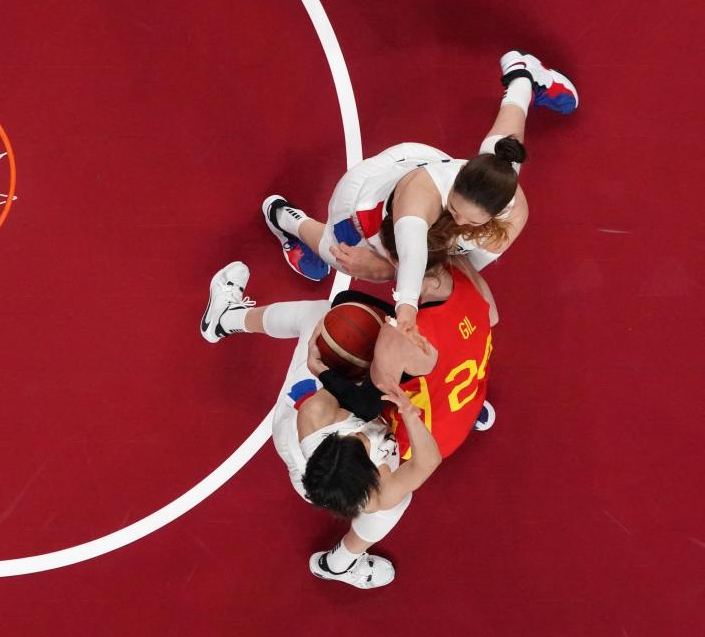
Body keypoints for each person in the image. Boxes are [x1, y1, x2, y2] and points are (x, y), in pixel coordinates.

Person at [198, 254, 495, 587]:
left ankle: (225, 318)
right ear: (371, 468)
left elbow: (347, 385)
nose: (364, 439)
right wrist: (413, 413)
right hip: (331, 462)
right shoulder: (378, 487)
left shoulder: (317, 414)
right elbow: (428, 460)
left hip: (312, 419)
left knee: (321, 321)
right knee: (394, 505)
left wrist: (323, 369)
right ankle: (338, 564)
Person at [260, 50, 578, 336]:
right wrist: (406, 305)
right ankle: (286, 219)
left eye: (471, 221)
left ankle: (523, 76)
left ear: (494, 214)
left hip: (436, 209)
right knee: (342, 255)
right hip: (366, 202)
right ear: (458, 180)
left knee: (501, 147)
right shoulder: (423, 194)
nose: (459, 220)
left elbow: (460, 262)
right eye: (454, 208)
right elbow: (413, 255)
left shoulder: (508, 202)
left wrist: (399, 271)